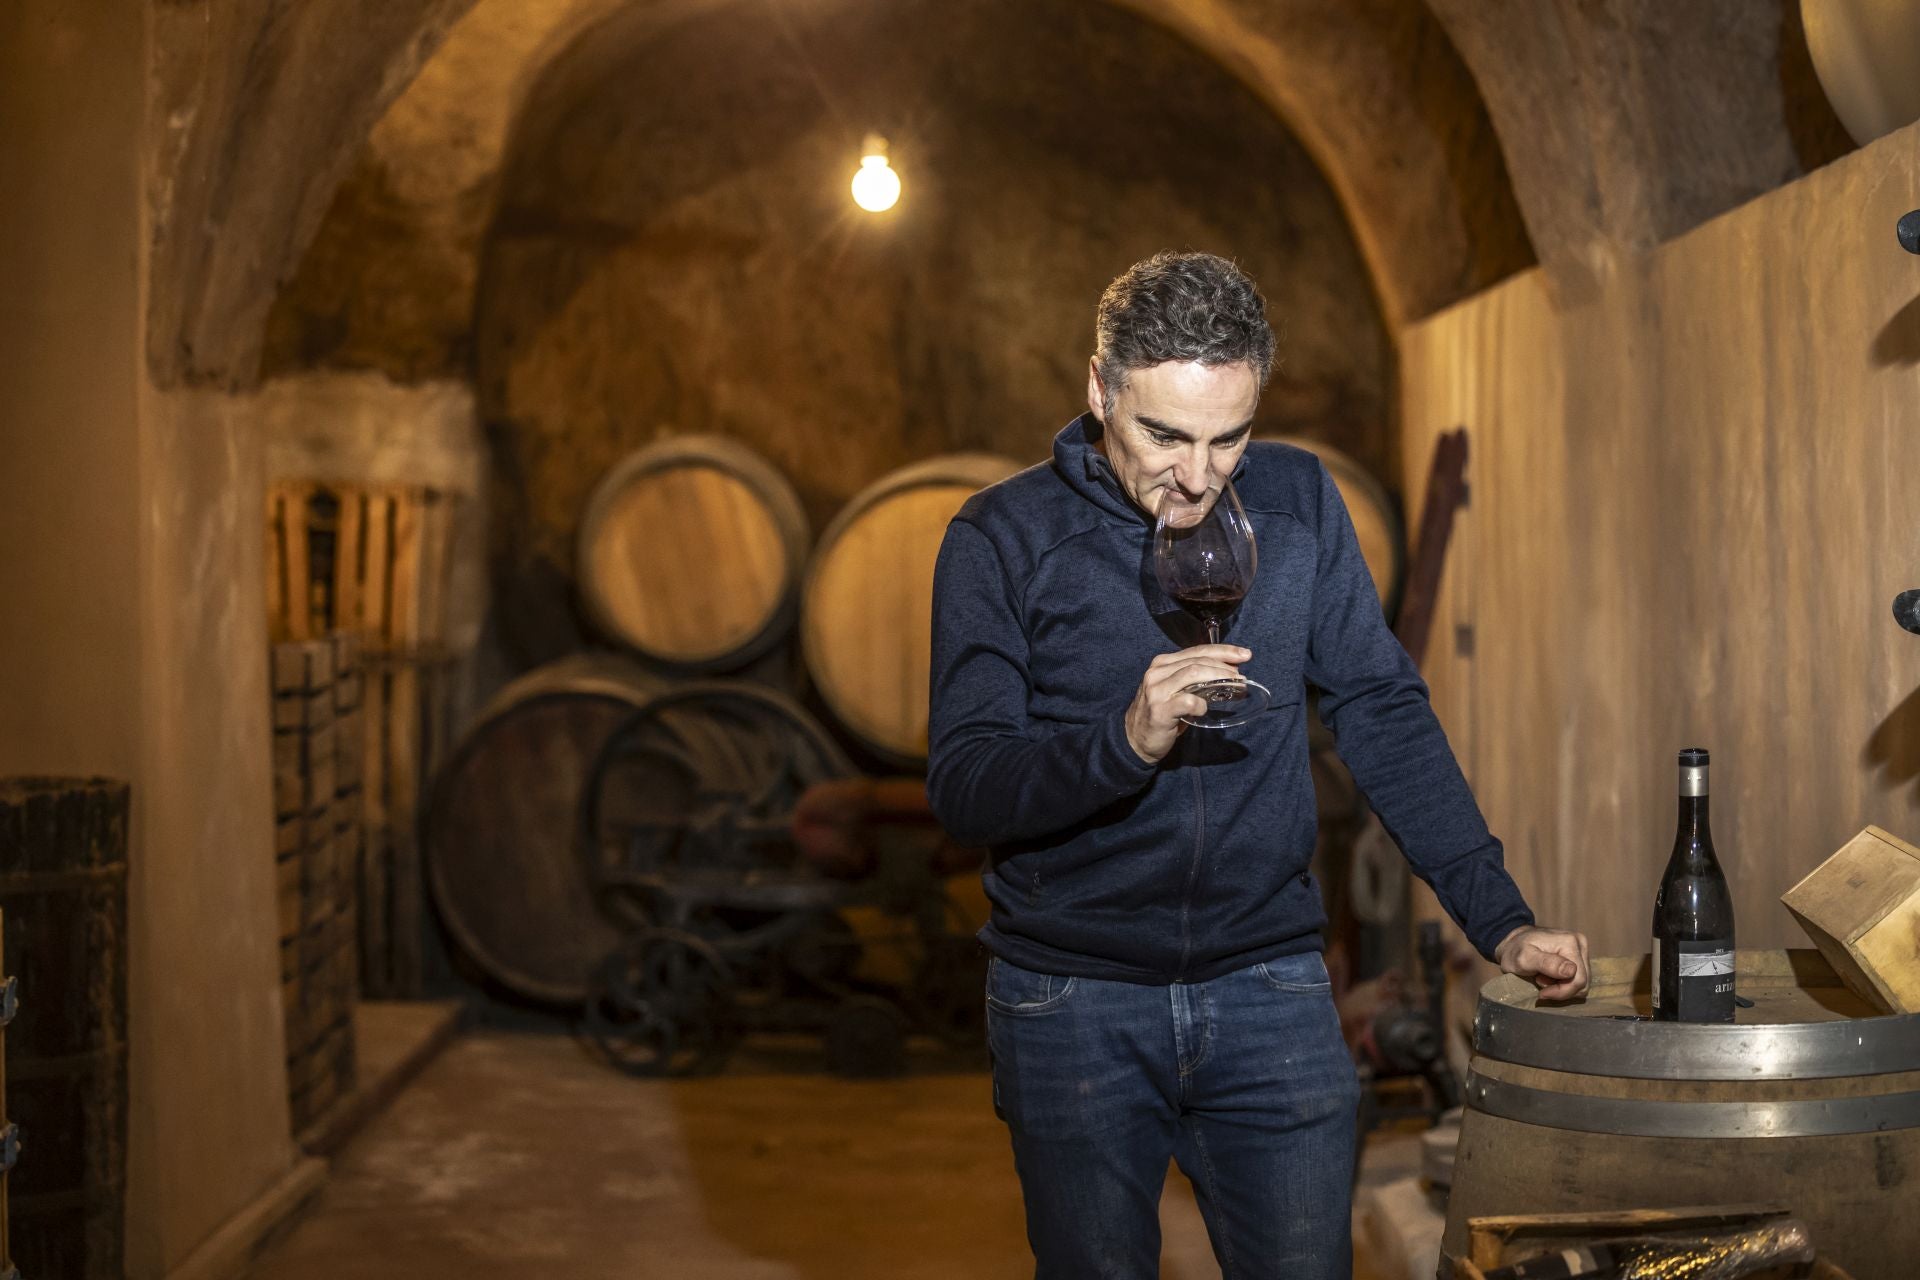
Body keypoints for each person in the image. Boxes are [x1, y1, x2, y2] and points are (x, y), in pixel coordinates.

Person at [925, 251, 1588, 1280]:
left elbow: (1380, 707)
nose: (1197, 476)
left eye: (1228, 437)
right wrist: (1124, 741)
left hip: (1270, 983)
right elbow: (965, 782)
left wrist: (1496, 914)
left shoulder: (1298, 499)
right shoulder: (1003, 536)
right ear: (1099, 387)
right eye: (1164, 435)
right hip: (1073, 996)